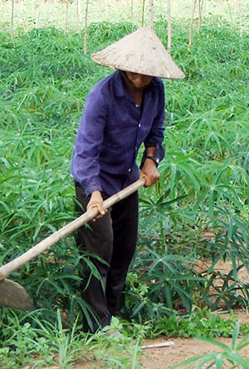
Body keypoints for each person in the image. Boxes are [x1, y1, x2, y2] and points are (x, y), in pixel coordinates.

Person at [69, 27, 185, 333]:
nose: (139, 78)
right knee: (99, 253)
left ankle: (114, 317)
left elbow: (156, 132)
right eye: (133, 71)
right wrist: (94, 193)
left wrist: (150, 160)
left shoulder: (156, 90)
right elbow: (85, 152)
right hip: (94, 182)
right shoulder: (102, 96)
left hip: (126, 180)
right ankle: (96, 327)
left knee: (123, 250)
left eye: (146, 73)